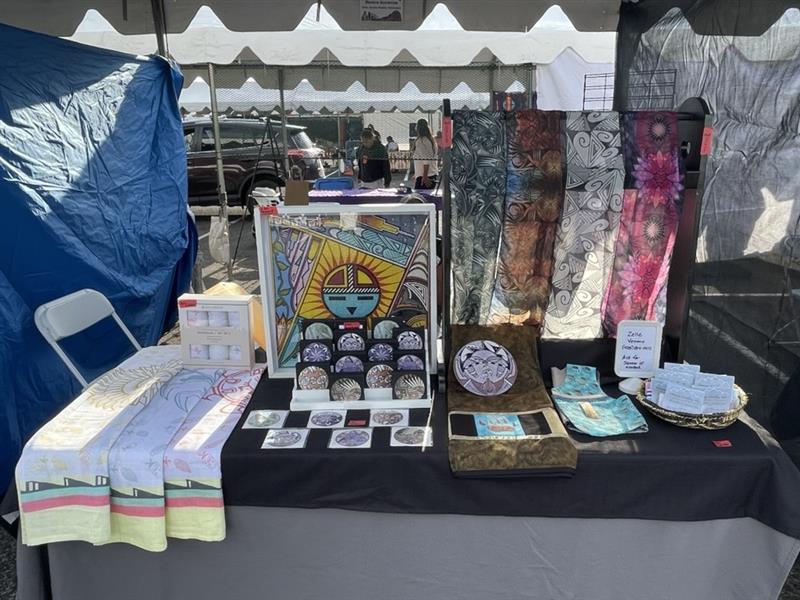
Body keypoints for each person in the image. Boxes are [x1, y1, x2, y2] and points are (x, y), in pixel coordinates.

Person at [413, 119, 438, 189]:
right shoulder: (431, 139)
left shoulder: (421, 141)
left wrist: (425, 176)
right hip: (430, 174)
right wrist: (417, 173)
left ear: (417, 128)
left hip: (425, 176)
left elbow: (426, 160)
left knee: (420, 195)